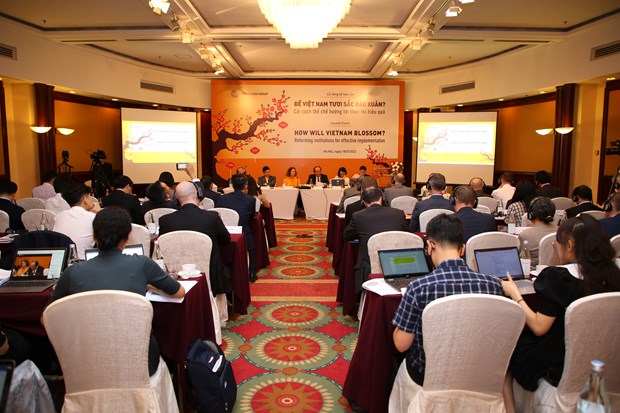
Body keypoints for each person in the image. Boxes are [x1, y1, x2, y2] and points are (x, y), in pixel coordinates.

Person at [501, 215, 620, 412]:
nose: (556, 248)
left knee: (509, 345)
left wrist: (515, 294)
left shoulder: (559, 278)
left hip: (558, 362)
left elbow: (539, 327)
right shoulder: (613, 276)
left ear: (570, 245)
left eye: (557, 244)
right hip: (602, 359)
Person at [49, 207, 185, 376]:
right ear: (127, 237)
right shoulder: (142, 264)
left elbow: (47, 317)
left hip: (86, 365)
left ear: (94, 236)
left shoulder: (73, 272)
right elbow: (179, 292)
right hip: (139, 361)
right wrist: (148, 284)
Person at [390, 214, 503, 408]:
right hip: (478, 376)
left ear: (430, 246)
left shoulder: (419, 288)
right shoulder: (493, 286)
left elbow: (401, 345)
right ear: (463, 249)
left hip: (427, 377)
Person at [159, 181, 232, 294]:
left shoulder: (165, 221)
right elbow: (226, 239)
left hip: (176, 278)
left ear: (176, 199)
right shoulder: (212, 217)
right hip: (210, 278)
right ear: (198, 194)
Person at [343, 187, 408, 294]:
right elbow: (406, 235)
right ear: (381, 198)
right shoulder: (398, 214)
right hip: (396, 264)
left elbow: (346, 236)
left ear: (363, 202)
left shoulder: (358, 216)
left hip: (368, 266)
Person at [216, 174, 258, 282]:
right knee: (251, 244)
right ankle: (252, 272)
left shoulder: (222, 198)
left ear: (233, 186)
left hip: (224, 231)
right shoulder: (250, 200)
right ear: (246, 186)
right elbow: (251, 216)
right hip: (241, 231)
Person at [54, 183, 101, 259]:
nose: (92, 200)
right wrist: (100, 212)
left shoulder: (59, 216)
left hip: (61, 260)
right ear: (85, 200)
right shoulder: (93, 218)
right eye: (90, 196)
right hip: (83, 260)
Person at [518, 197, 557, 267]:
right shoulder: (563, 231)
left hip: (534, 272)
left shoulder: (525, 235)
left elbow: (521, 260)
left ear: (531, 214)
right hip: (559, 271)